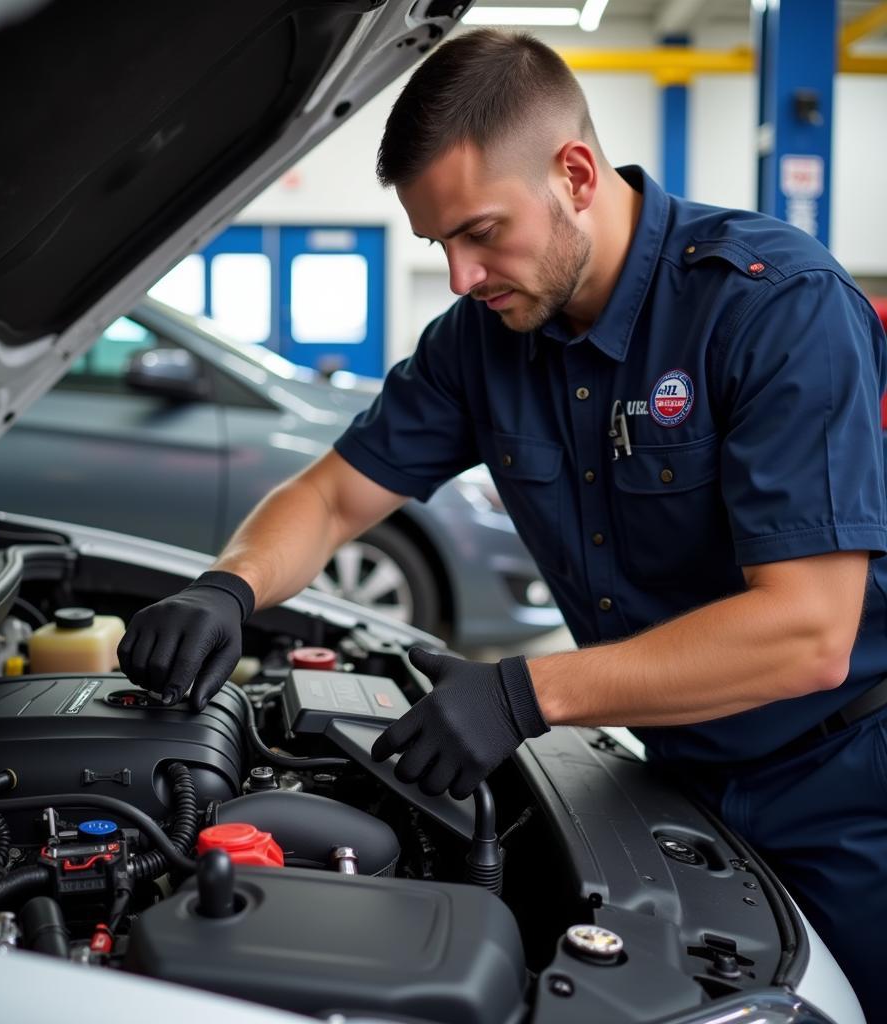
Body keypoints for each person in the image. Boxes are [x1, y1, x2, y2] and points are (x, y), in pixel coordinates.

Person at [118, 29, 887, 1017]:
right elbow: (326, 497)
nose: (459, 275)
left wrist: (524, 694)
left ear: (574, 172)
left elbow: (808, 632)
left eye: (479, 231)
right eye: (440, 243)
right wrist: (229, 585)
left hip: (849, 789)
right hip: (684, 778)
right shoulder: (482, 346)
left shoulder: (770, 308)